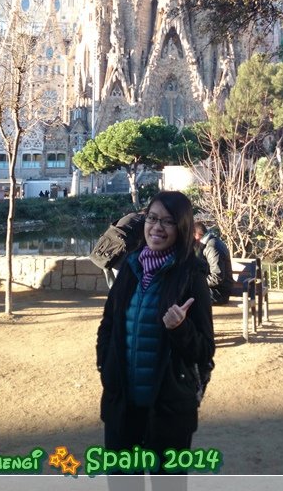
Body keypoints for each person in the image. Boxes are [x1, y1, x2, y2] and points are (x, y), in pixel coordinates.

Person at [96, 191, 215, 483]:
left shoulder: (191, 275)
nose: (157, 227)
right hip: (122, 405)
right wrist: (106, 368)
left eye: (168, 221)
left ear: (183, 228)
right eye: (152, 218)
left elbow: (204, 351)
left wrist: (180, 328)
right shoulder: (130, 268)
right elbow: (108, 324)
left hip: (169, 409)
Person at [90, 211, 146, 289]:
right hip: (119, 249)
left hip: (106, 249)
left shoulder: (130, 216)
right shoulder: (144, 220)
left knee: (108, 271)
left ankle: (114, 295)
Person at [194, 221, 234, 305]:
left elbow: (217, 277)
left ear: (197, 235)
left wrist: (196, 281)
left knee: (186, 294)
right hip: (214, 290)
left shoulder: (212, 247)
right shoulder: (208, 244)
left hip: (219, 293)